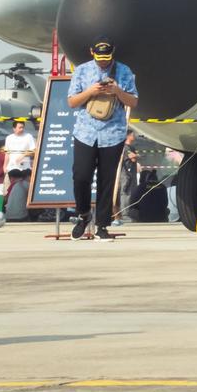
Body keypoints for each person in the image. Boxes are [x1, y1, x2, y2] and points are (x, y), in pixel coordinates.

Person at [66, 38, 138, 241]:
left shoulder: (124, 71)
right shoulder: (81, 70)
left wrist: (117, 91)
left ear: (113, 53)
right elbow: (72, 102)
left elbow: (133, 101)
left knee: (107, 181)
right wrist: (91, 91)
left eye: (107, 58)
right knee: (81, 176)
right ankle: (83, 214)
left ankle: (102, 224)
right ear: (92, 52)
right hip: (85, 132)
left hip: (113, 133)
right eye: (100, 58)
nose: (103, 62)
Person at [114, 136, 139, 224]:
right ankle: (124, 215)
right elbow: (132, 157)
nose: (134, 136)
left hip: (129, 174)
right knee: (125, 193)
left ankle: (123, 213)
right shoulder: (125, 147)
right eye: (133, 134)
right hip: (125, 174)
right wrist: (135, 156)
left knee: (127, 193)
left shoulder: (130, 147)